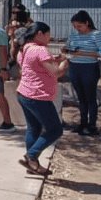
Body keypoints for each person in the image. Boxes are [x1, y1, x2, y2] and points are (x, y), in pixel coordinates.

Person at [16, 22, 69, 176]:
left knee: (34, 128)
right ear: (40, 34)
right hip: (38, 96)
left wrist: (55, 59)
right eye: (48, 34)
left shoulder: (24, 49)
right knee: (55, 129)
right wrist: (65, 61)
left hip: (24, 94)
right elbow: (56, 73)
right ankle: (31, 155)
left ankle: (33, 165)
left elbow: (36, 66)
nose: (49, 38)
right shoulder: (40, 50)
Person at [62, 10, 101, 136]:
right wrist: (66, 50)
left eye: (80, 26)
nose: (77, 29)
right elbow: (68, 48)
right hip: (74, 67)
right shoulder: (73, 35)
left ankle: (92, 124)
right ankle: (83, 122)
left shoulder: (96, 35)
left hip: (89, 68)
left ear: (87, 23)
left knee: (90, 97)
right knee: (81, 98)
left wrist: (83, 53)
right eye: (75, 26)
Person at [7, 5, 32, 75]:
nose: (14, 14)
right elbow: (10, 33)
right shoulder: (12, 21)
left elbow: (31, 28)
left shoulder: (28, 20)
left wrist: (20, 25)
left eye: (16, 13)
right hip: (14, 42)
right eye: (13, 12)